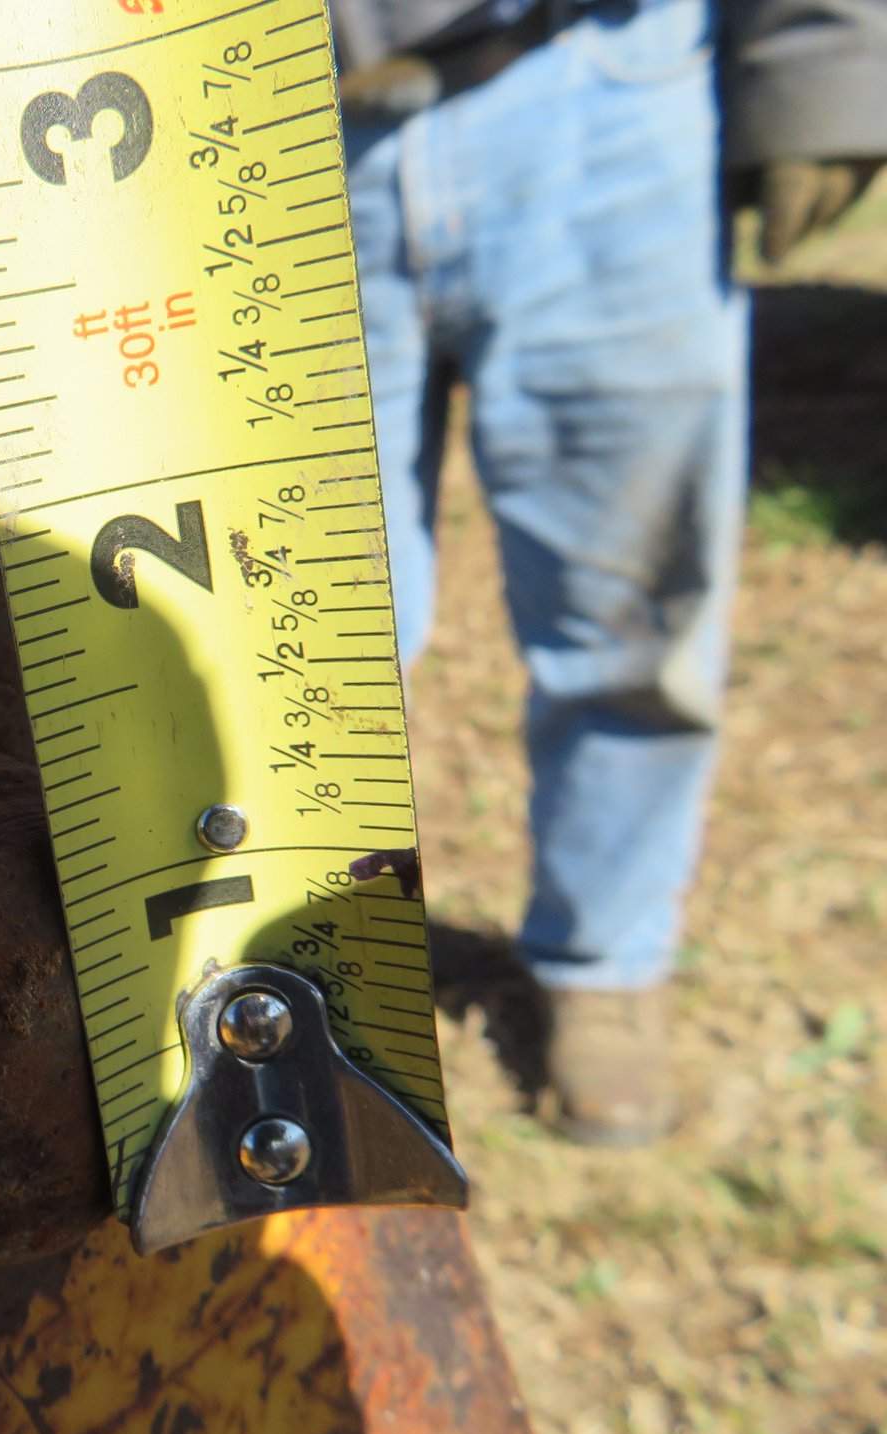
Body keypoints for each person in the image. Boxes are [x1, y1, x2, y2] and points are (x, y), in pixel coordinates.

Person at [330, 0, 887, 1142]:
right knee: (301, 631)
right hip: (254, 124)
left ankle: (604, 960)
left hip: (600, 90)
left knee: (632, 606)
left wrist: (823, 55)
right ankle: (286, 954)